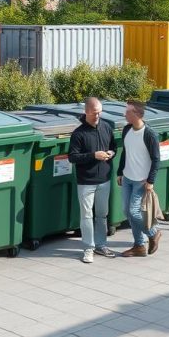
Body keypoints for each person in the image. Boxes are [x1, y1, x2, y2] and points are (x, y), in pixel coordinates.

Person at [68, 97, 117, 263]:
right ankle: (88, 248)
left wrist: (111, 153)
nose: (98, 115)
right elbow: (72, 157)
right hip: (86, 182)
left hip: (104, 179)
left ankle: (101, 245)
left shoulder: (107, 127)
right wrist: (93, 155)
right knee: (87, 216)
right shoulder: (78, 133)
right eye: (95, 113)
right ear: (86, 112)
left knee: (102, 215)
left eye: (100, 112)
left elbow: (114, 147)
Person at [116, 101, 162, 257]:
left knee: (134, 212)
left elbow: (156, 159)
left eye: (128, 112)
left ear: (137, 114)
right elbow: (125, 152)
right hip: (128, 177)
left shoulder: (149, 134)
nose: (125, 114)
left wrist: (151, 181)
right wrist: (120, 172)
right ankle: (139, 246)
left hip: (141, 181)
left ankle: (153, 233)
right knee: (126, 211)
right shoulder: (127, 129)